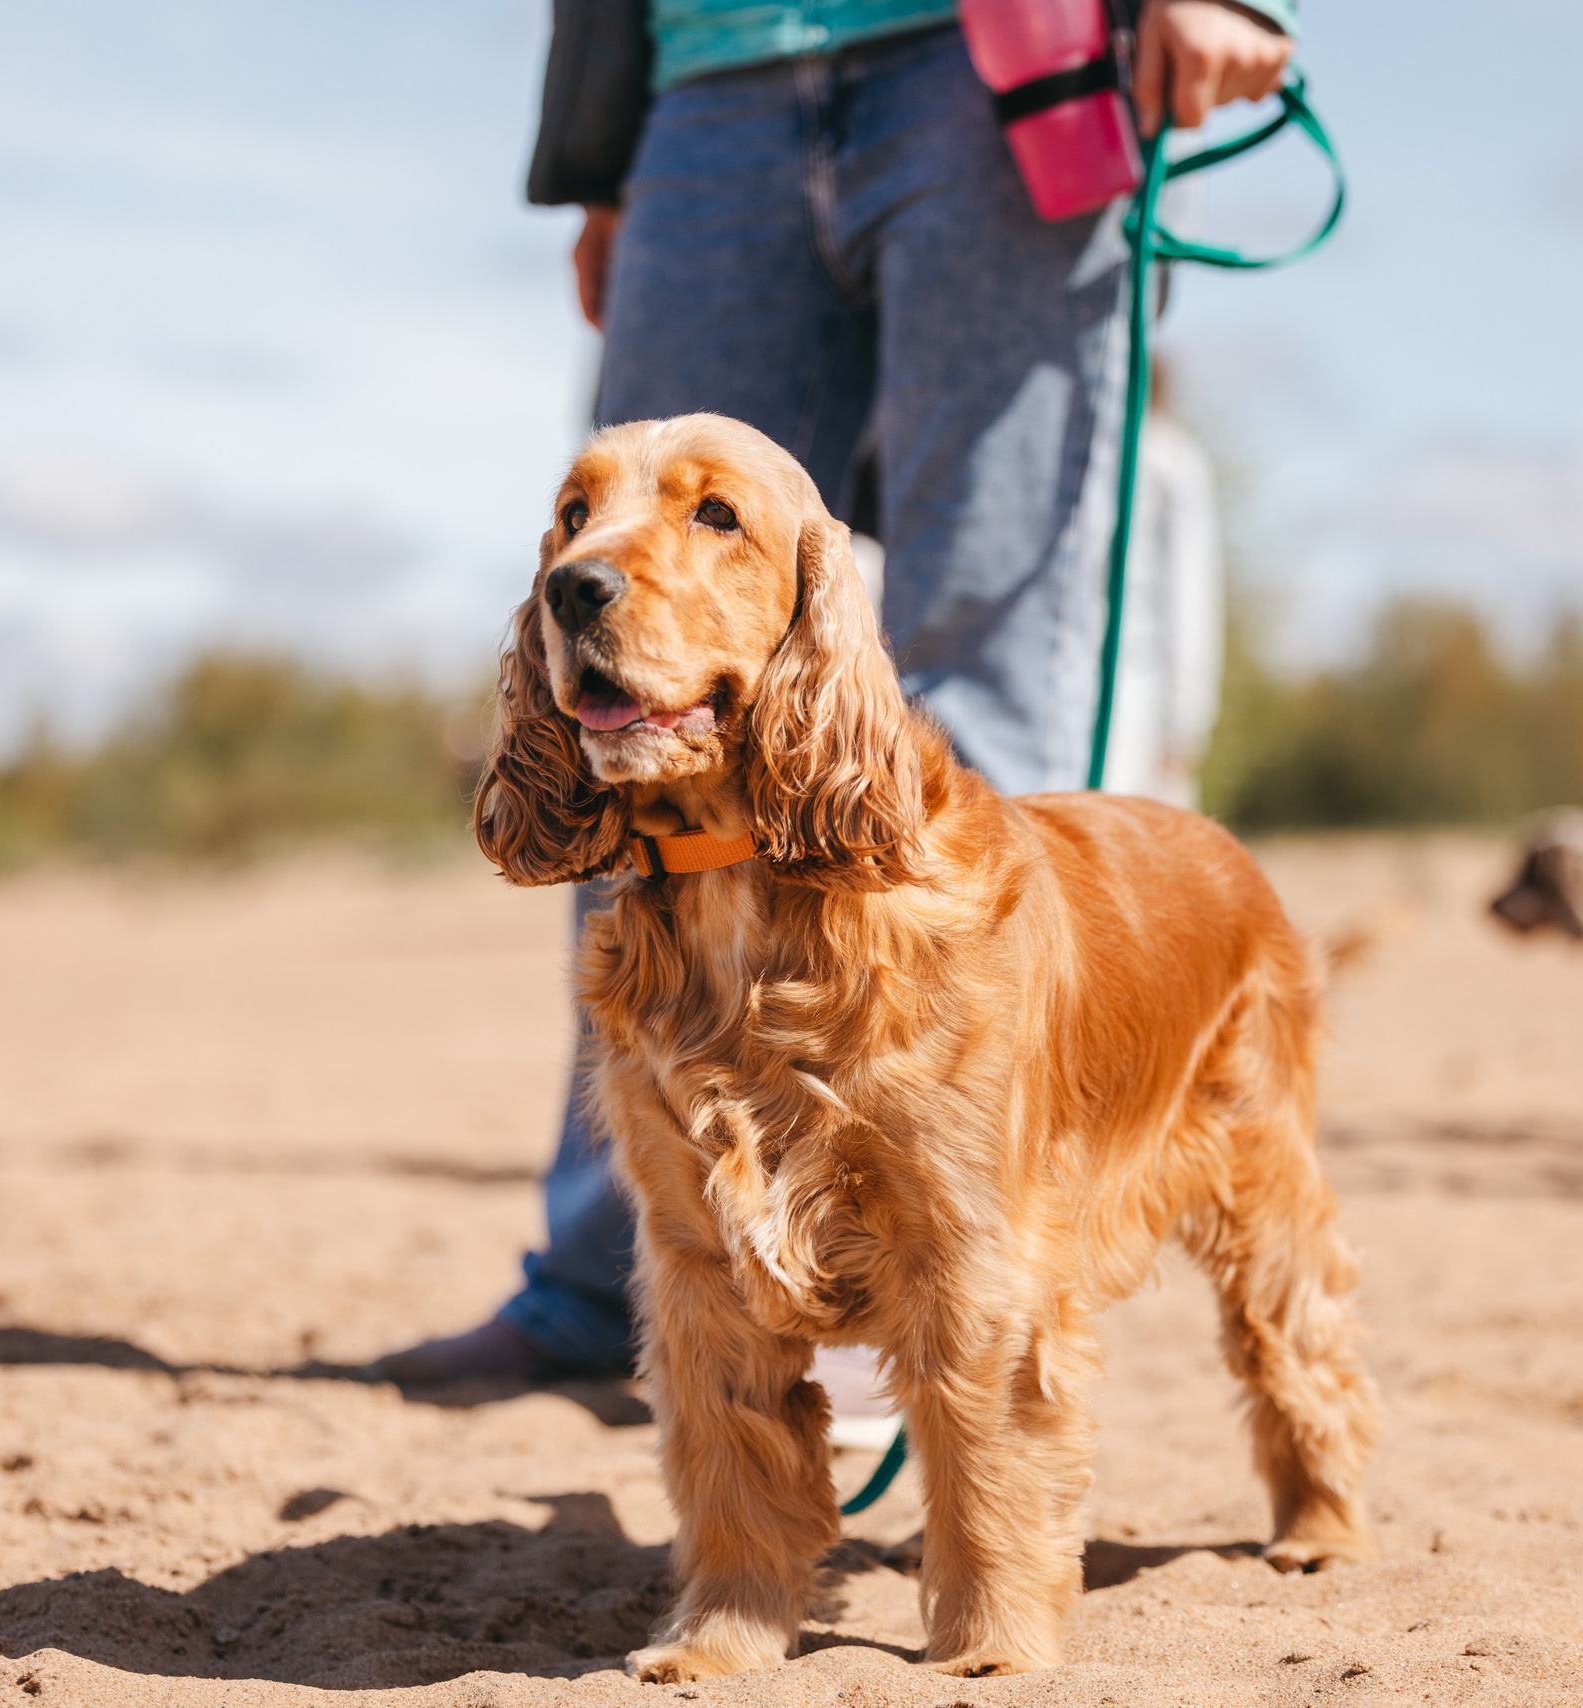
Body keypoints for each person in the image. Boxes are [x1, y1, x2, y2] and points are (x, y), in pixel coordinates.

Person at [374, 0, 1272, 1384]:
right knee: (638, 650)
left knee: (984, 649)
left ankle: (929, 1262)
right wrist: (607, 157)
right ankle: (627, 1264)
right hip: (704, 82)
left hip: (999, 61)